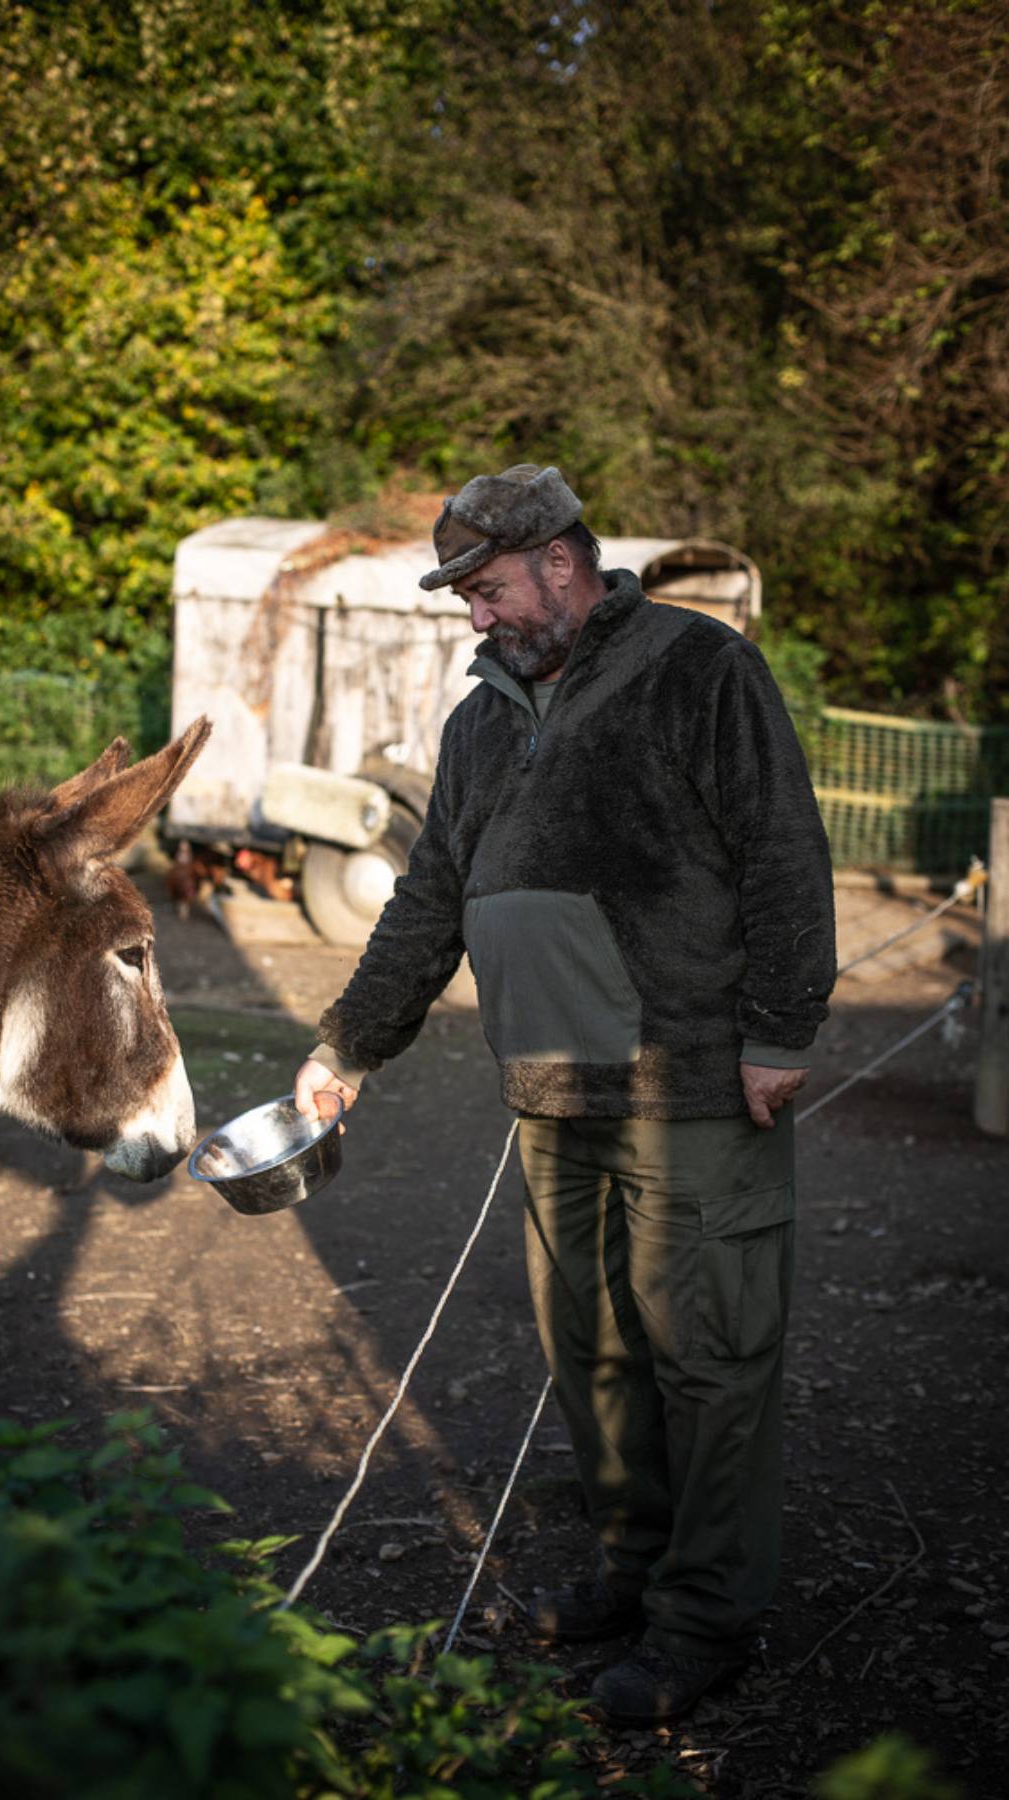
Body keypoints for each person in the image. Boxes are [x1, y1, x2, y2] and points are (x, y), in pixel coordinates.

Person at [293, 463, 836, 1723]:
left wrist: (779, 1027)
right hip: (550, 1095)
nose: (474, 616)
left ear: (559, 560)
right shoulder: (478, 724)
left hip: (689, 1086)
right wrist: (346, 1049)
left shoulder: (699, 669)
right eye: (462, 597)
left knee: (708, 1361)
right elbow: (429, 900)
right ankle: (635, 1572)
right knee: (592, 1355)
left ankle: (706, 1621)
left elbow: (781, 846)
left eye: (484, 589)